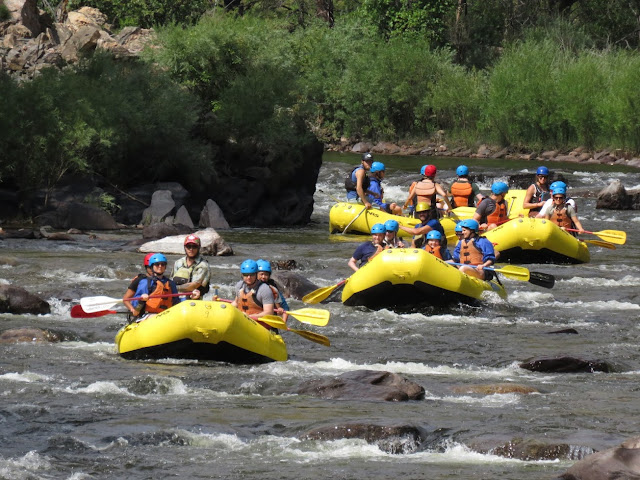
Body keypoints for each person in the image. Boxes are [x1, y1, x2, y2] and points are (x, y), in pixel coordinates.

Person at [131, 253, 200, 319]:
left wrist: (191, 297)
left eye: (163, 264)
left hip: (166, 315)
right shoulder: (146, 282)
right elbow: (135, 306)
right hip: (148, 315)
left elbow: (177, 303)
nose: (160, 266)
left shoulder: (171, 284)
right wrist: (141, 300)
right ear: (152, 266)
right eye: (157, 264)